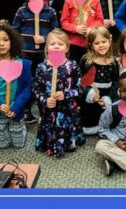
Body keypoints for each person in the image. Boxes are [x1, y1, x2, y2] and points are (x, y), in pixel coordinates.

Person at [12, 0, 59, 124]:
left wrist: (45, 38)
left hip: (43, 55)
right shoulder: (21, 11)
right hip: (25, 54)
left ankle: (43, 110)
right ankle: (26, 110)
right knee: (26, 82)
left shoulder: (50, 12)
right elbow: (14, 30)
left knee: (43, 82)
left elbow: (56, 32)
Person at [34, 28, 85, 157]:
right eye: (52, 44)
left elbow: (80, 88)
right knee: (50, 125)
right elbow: (36, 90)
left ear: (67, 48)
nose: (56, 46)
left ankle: (68, 143)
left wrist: (66, 94)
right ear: (47, 48)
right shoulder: (41, 67)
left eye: (60, 44)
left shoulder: (72, 66)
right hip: (49, 111)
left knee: (66, 124)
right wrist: (45, 100)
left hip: (67, 109)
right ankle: (50, 144)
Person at [80, 26, 119, 135]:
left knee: (108, 115)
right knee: (90, 114)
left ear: (109, 41)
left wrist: (108, 98)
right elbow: (81, 81)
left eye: (104, 41)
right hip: (91, 96)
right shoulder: (86, 60)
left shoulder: (114, 62)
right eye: (97, 43)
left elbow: (115, 82)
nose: (101, 45)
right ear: (91, 45)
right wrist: (91, 94)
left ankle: (105, 126)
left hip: (106, 95)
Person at [61, 0, 104, 64]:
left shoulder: (95, 1)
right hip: (74, 44)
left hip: (92, 42)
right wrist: (76, 28)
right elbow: (64, 22)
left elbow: (100, 20)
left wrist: (91, 29)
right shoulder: (68, 2)